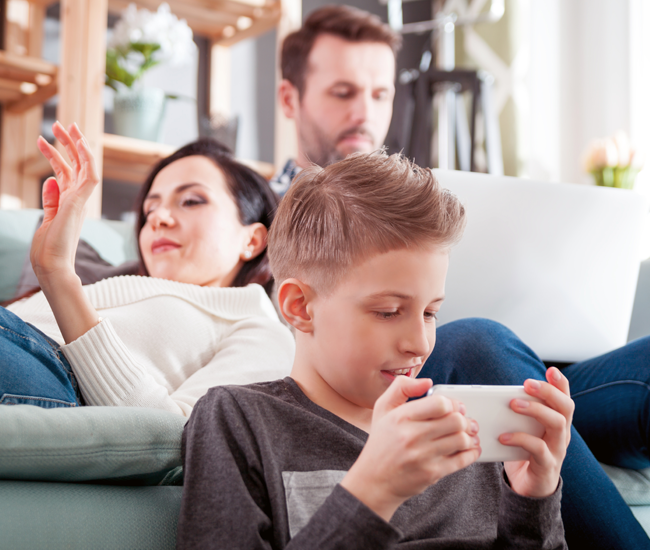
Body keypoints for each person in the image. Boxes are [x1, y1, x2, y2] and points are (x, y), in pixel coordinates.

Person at [271, 5, 650, 550]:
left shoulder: (428, 200)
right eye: (344, 93)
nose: (364, 112)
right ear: (291, 100)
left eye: (380, 93)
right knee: (476, 339)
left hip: (517, 364)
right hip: (432, 370)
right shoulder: (254, 206)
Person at [178, 151, 571, 549]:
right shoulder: (240, 419)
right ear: (300, 307)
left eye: (431, 312)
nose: (419, 344)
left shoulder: (462, 432)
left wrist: (532, 503)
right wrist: (372, 492)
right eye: (388, 312)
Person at [0, 125, 294, 415]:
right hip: (1, 340)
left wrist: (58, 274)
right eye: (151, 207)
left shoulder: (260, 328)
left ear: (253, 238)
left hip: (49, 376)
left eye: (191, 200)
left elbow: (175, 438)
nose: (157, 217)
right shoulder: (120, 287)